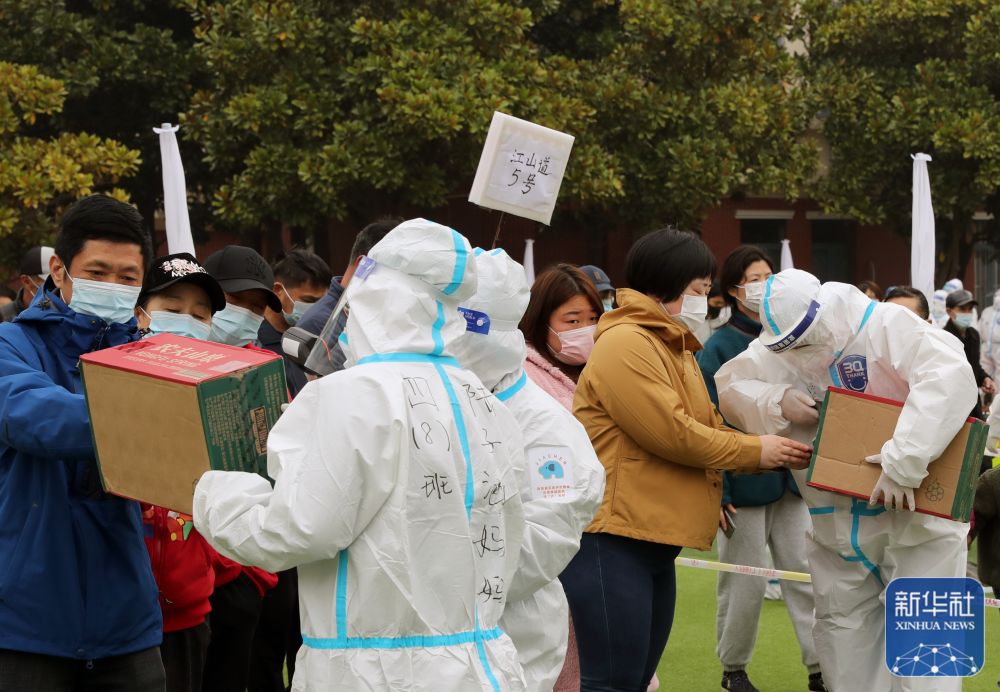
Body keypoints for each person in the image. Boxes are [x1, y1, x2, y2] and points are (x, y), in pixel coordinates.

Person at [194, 219, 528, 690]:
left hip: (375, 672)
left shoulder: (352, 395)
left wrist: (208, 488)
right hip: (482, 665)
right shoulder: (483, 400)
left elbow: (292, 530)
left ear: (372, 301)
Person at [564, 228, 813, 692]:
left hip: (651, 536)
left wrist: (772, 447)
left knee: (633, 679)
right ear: (671, 283)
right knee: (612, 681)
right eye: (699, 289)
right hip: (615, 537)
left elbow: (709, 423)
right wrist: (757, 450)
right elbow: (674, 434)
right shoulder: (626, 343)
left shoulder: (669, 343)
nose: (704, 299)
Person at [715, 268, 978, 692]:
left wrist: (903, 461)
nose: (800, 351)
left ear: (824, 313)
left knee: (928, 645)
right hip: (836, 526)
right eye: (788, 345)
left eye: (804, 339)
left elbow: (949, 378)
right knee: (844, 639)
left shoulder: (886, 325)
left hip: (920, 521)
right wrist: (777, 400)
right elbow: (730, 386)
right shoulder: (780, 348)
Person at [0, 194, 166, 690]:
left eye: (127, 277)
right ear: (58, 268)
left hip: (127, 621)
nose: (112, 286)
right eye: (97, 271)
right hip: (27, 623)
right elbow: (35, 416)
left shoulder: (149, 357)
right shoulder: (12, 345)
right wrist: (159, 415)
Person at [452, 248, 606, 691]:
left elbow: (549, 532)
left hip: (509, 627)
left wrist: (450, 580)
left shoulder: (541, 422)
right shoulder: (454, 396)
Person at [697, 246, 823, 692]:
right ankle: (734, 669)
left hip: (795, 486)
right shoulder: (719, 345)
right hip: (744, 486)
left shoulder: (795, 338)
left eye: (770, 276)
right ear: (733, 289)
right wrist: (720, 490)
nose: (764, 286)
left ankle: (819, 667)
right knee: (743, 583)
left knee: (808, 575)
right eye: (754, 278)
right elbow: (710, 421)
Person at [134, 253, 228, 692]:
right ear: (141, 314)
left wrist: (220, 569)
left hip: (190, 608)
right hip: (121, 613)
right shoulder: (106, 379)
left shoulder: (222, 393)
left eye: (199, 314)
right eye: (171, 309)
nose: (186, 320)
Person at [201, 245, 281, 692]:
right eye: (234, 301)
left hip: (242, 565)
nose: (245, 314)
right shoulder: (165, 358)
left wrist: (253, 574)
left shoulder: (267, 369)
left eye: (255, 306)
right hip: (177, 567)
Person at [257, 249, 332, 397]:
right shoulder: (253, 343)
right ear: (278, 290)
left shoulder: (322, 339)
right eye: (309, 301)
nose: (317, 309)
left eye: (323, 302)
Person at [203, 245, 283, 347]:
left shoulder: (264, 362)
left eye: (258, 306)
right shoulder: (176, 348)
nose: (244, 314)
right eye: (234, 297)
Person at [943, 289, 995, 417]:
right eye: (962, 309)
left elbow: (974, 366)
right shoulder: (944, 337)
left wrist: (984, 379)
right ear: (949, 312)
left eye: (970, 309)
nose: (967, 313)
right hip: (952, 404)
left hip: (973, 401)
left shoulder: (973, 335)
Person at [0, 245, 54, 322]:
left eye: (61, 281)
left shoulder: (65, 314)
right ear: (26, 281)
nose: (58, 287)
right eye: (51, 282)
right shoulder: (4, 317)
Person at [978, 289, 1000, 380]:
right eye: (996, 296)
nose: (997, 298)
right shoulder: (987, 311)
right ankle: (983, 393)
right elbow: (978, 329)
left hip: (998, 348)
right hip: (986, 347)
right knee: (983, 373)